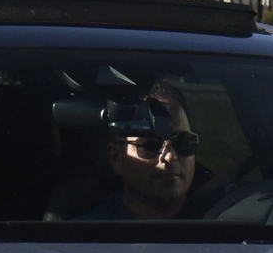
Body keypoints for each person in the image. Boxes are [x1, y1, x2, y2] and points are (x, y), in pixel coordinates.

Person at [82, 83, 197, 220]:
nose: (170, 156)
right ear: (116, 157)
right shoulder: (86, 237)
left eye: (184, 142)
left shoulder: (224, 215)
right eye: (151, 145)